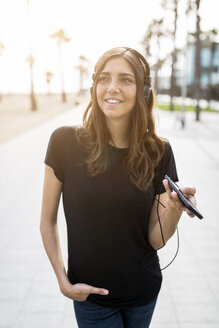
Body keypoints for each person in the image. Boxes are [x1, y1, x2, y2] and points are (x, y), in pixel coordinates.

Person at [40, 46, 197, 328]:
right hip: (92, 298)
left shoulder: (159, 151)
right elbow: (47, 220)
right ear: (94, 88)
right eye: (104, 78)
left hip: (144, 292)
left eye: (125, 79)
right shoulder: (64, 142)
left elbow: (155, 240)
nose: (112, 88)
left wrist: (173, 209)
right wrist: (62, 280)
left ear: (143, 92)